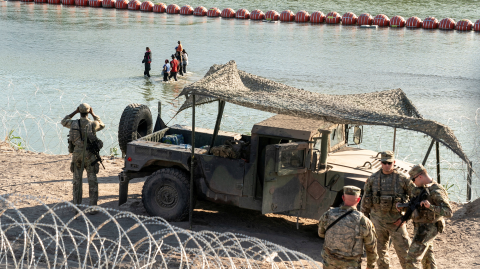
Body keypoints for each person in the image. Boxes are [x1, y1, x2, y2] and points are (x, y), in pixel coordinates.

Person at [360, 151, 416, 269]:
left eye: (389, 163)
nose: (387, 165)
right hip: (377, 222)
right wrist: (364, 221)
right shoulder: (373, 179)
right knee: (380, 254)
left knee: (405, 253)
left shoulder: (403, 179)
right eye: (384, 162)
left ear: (394, 162)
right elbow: (365, 201)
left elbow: (415, 199)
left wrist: (405, 218)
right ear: (381, 163)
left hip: (397, 222)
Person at [395, 164, 452, 269]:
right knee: (427, 260)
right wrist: (402, 207)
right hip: (420, 227)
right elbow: (416, 206)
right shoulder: (422, 189)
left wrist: (431, 207)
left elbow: (448, 212)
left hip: (428, 228)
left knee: (411, 261)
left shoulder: (436, 190)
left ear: (420, 176)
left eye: (413, 179)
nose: (412, 182)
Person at [318, 185, 377, 269]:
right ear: (359, 199)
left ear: (343, 197)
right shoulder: (363, 221)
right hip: (351, 265)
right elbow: (371, 248)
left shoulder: (328, 214)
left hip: (330, 263)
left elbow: (321, 234)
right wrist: (370, 266)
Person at [61, 103, 105, 213]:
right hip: (89, 156)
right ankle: (93, 208)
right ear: (88, 111)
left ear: (79, 111)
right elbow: (102, 125)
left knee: (77, 182)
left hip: (76, 155)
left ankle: (76, 207)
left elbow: (63, 121)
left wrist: (74, 112)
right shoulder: (93, 124)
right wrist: (94, 114)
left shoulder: (73, 123)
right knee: (92, 181)